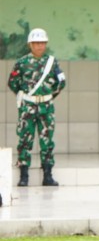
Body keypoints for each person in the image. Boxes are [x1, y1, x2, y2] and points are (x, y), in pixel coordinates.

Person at [8, 28, 67, 187]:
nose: (40, 46)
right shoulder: (22, 62)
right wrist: (25, 96)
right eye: (36, 43)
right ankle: (23, 176)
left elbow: (61, 82)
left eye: (42, 43)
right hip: (27, 106)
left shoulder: (52, 62)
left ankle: (48, 175)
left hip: (46, 107)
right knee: (25, 139)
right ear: (30, 44)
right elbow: (12, 82)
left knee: (47, 141)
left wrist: (48, 96)